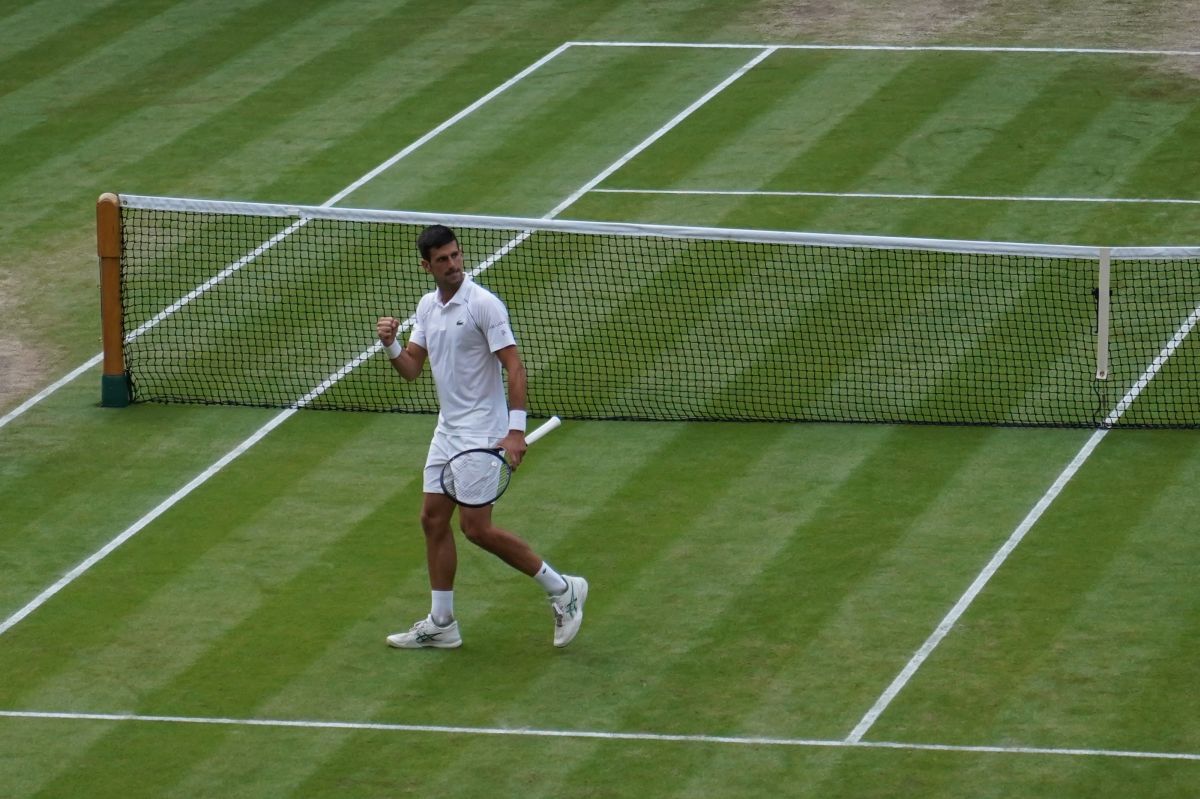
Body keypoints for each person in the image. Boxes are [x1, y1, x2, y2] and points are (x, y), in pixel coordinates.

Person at [376, 224, 587, 649]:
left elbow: (514, 366)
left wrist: (515, 431)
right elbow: (413, 367)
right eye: (442, 260)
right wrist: (391, 345)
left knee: (476, 528)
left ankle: (563, 588)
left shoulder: (484, 305)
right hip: (447, 431)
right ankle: (442, 623)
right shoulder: (427, 306)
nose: (453, 265)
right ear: (426, 266)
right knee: (432, 520)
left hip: (483, 434)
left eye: (455, 256)